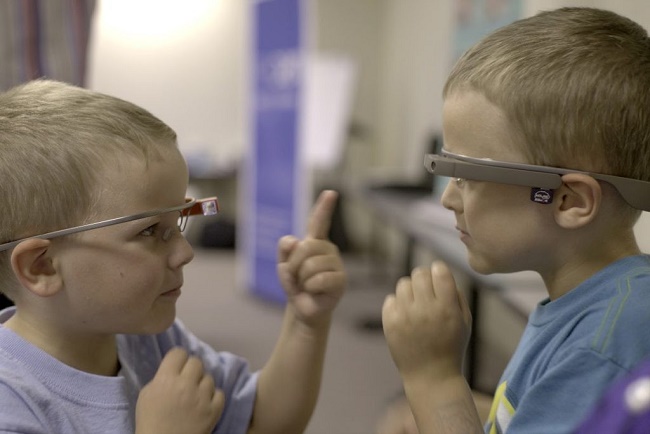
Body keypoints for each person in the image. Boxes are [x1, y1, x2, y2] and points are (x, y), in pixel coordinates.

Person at [0, 79, 347, 434]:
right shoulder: (11, 405)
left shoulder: (146, 337)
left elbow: (262, 422)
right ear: (41, 266)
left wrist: (306, 323)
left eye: (180, 218)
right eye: (149, 230)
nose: (185, 253)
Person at [379, 7, 650, 434]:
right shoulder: (597, 309)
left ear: (568, 200)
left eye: (468, 176)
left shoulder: (605, 347)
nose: (449, 198)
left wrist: (434, 380)